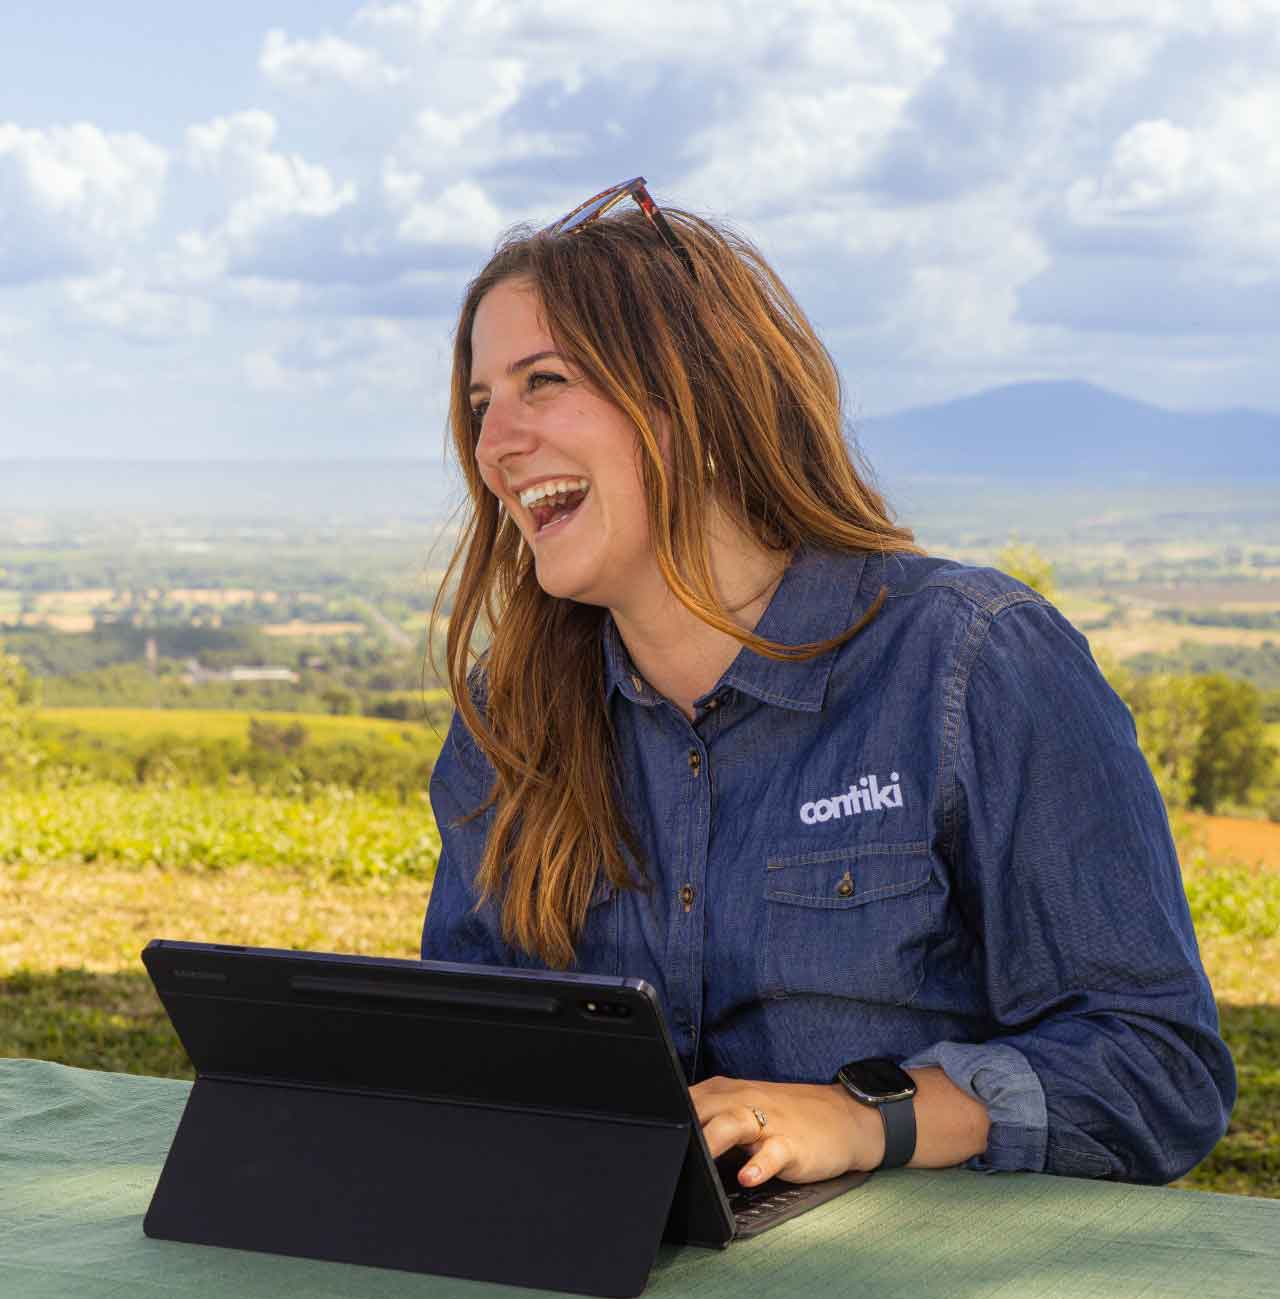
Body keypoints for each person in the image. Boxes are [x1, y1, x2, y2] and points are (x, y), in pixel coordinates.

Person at [422, 177, 1234, 1190]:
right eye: (481, 405)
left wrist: (865, 1118)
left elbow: (1155, 1070)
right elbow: (457, 1059)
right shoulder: (511, 720)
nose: (495, 447)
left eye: (542, 381)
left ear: (698, 395)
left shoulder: (970, 662)